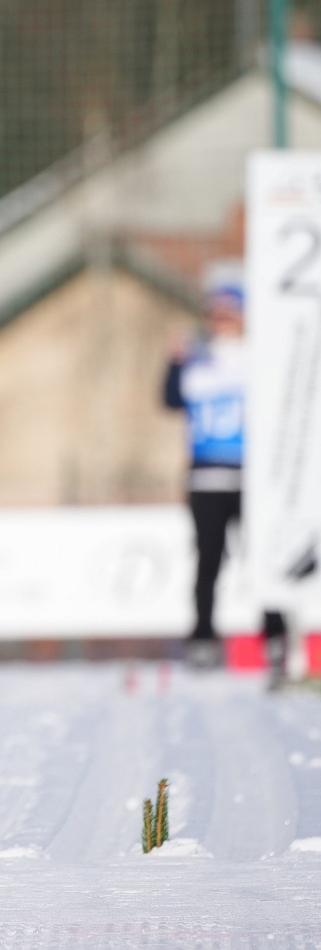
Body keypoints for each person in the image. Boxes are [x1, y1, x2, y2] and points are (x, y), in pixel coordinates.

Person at [162, 266, 275, 671]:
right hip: (207, 476)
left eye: (230, 311)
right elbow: (170, 401)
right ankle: (203, 640)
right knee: (209, 561)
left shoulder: (262, 358)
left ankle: (275, 637)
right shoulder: (198, 359)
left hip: (253, 478)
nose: (222, 319)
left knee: (262, 561)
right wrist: (174, 362)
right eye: (216, 312)